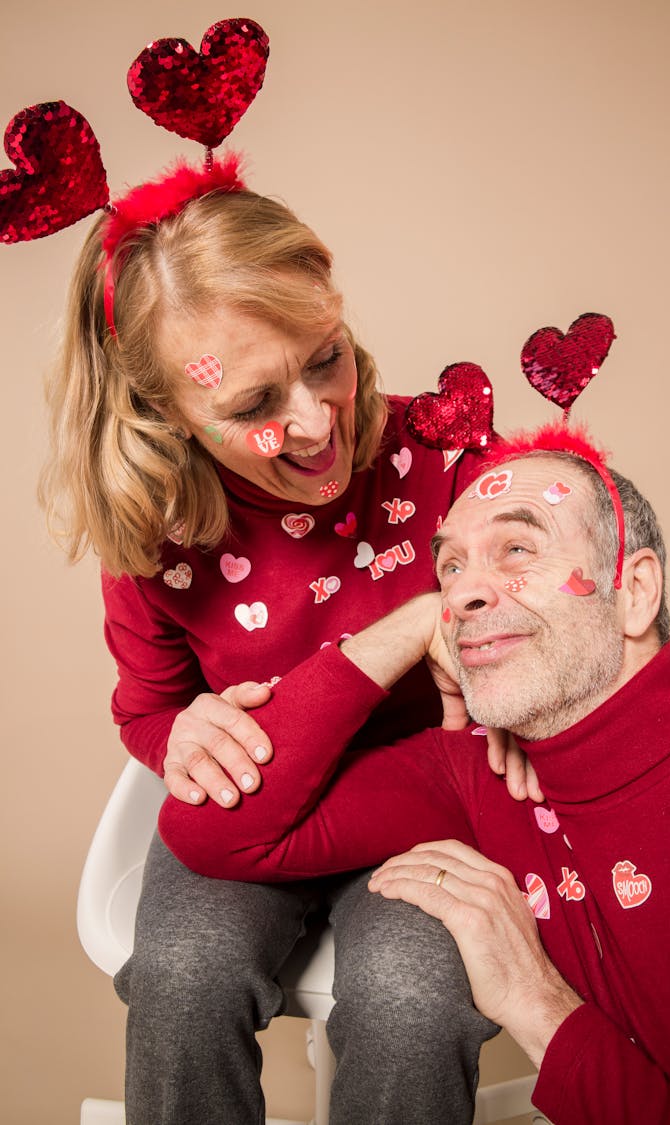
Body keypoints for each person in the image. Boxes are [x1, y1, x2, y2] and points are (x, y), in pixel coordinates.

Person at [38, 153, 543, 1125]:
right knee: (182, 980)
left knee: (412, 1005)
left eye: (326, 358)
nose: (315, 423)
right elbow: (149, 706)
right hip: (253, 800)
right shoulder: (159, 539)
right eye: (253, 405)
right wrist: (179, 735)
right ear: (165, 416)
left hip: (423, 798)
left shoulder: (439, 459)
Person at [158, 440, 670, 1124]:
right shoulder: (477, 772)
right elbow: (213, 830)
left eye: (518, 550)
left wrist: (536, 1004)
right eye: (450, 567)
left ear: (635, 590)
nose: (461, 594)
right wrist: (407, 626)